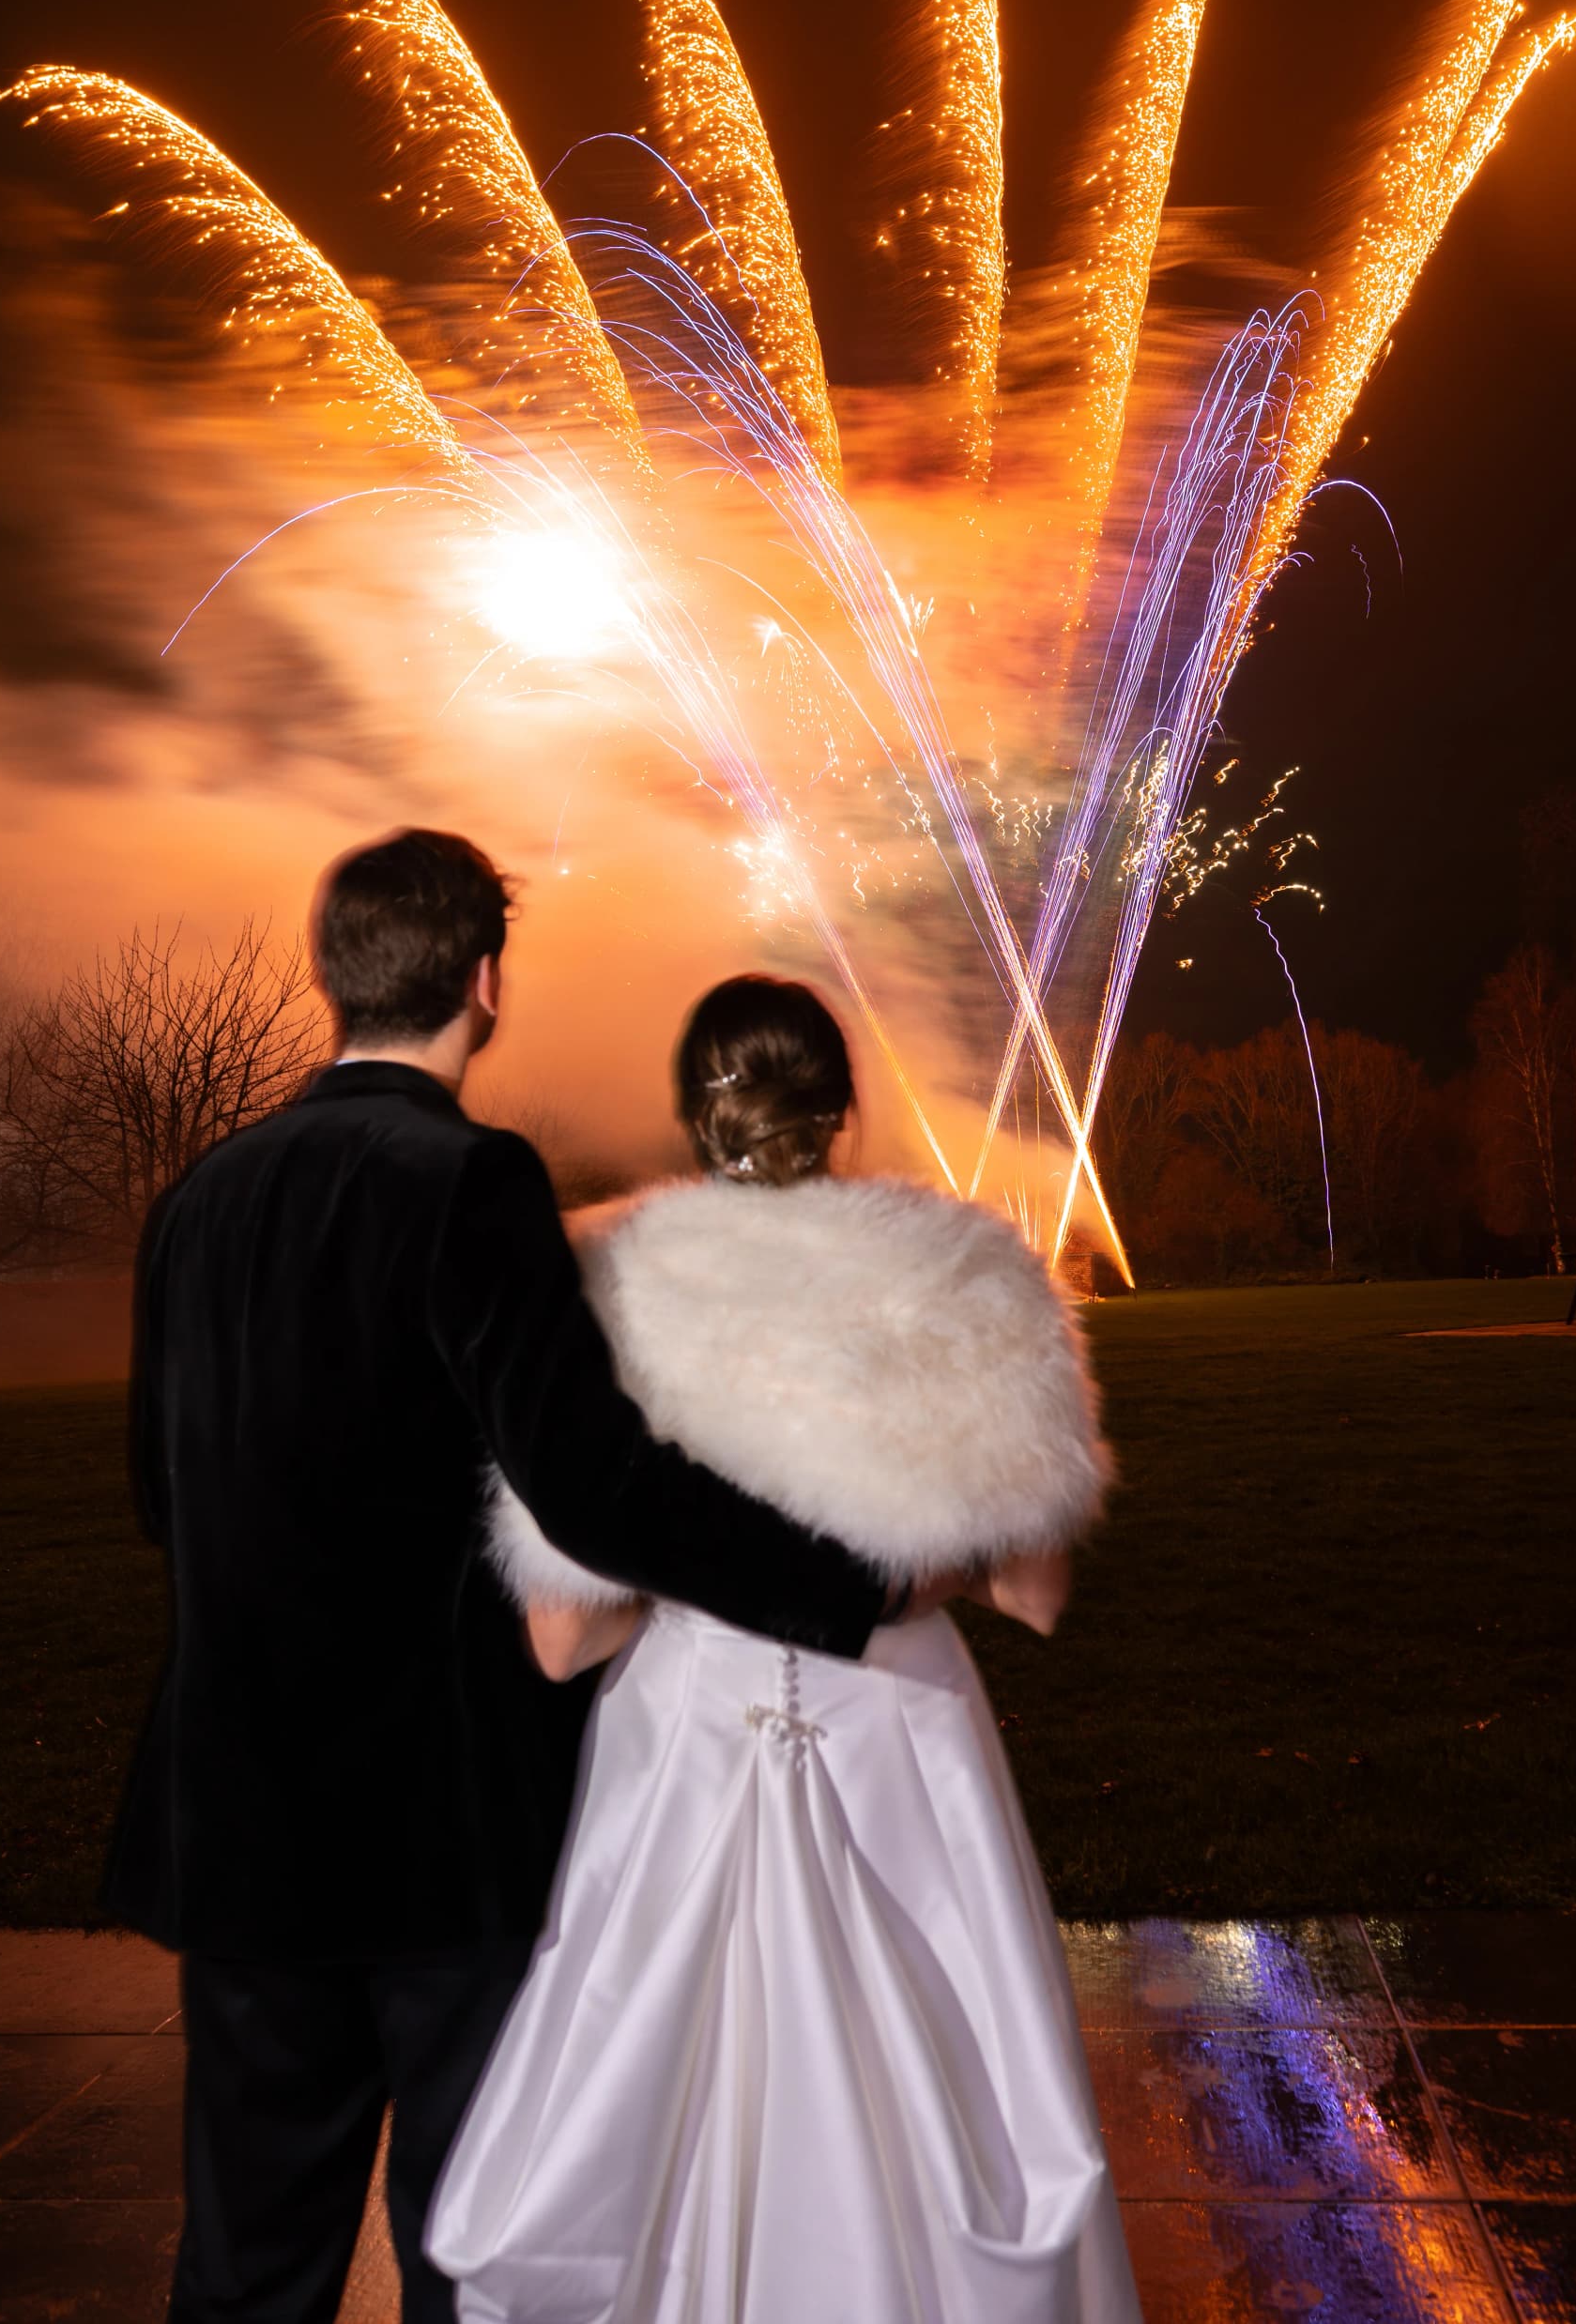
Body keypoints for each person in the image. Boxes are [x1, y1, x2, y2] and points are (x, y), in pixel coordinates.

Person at [109, 834, 918, 2324]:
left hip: (234, 1818)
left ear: (328, 976)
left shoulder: (198, 1198)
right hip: (438, 1825)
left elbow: (161, 1498)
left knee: (243, 2264)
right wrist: (844, 1584)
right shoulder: (471, 1182)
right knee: (468, 2247)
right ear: (484, 983)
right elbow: (598, 1490)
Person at [429, 973, 1141, 2324]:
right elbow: (1037, 1594)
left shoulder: (613, 1287)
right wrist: (883, 1563)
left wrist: (704, 1577)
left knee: (656, 2097)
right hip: (905, 1738)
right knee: (962, 2094)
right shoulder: (975, 1269)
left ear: (697, 1118)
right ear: (843, 1114)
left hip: (691, 1740)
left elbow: (565, 1640)